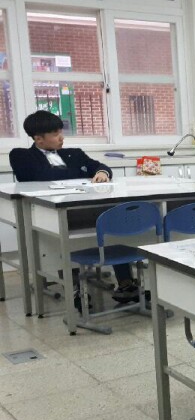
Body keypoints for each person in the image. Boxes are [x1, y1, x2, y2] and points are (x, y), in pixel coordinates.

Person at [8, 110, 139, 303]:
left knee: (111, 222)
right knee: (61, 237)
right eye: (55, 134)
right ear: (38, 139)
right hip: (50, 213)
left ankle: (126, 283)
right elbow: (41, 177)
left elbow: (99, 166)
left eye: (61, 132)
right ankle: (75, 287)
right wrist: (80, 172)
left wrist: (102, 173)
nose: (61, 137)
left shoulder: (74, 153)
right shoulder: (21, 156)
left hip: (84, 209)